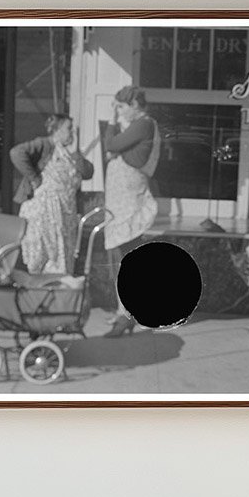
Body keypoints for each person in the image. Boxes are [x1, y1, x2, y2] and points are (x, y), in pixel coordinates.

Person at [101, 85, 161, 337]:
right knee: (124, 256)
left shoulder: (143, 124)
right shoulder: (136, 125)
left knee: (128, 256)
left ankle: (130, 313)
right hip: (120, 200)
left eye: (122, 106)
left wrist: (112, 125)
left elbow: (112, 143)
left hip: (129, 200)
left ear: (135, 104)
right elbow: (111, 148)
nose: (118, 110)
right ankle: (125, 310)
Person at [12, 115, 93, 274]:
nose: (72, 132)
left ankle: (57, 292)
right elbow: (16, 152)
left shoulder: (70, 154)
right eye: (69, 128)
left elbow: (88, 172)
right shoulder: (45, 145)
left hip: (64, 214)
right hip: (43, 212)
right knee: (42, 256)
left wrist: (75, 152)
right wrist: (34, 178)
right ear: (57, 130)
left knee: (62, 257)